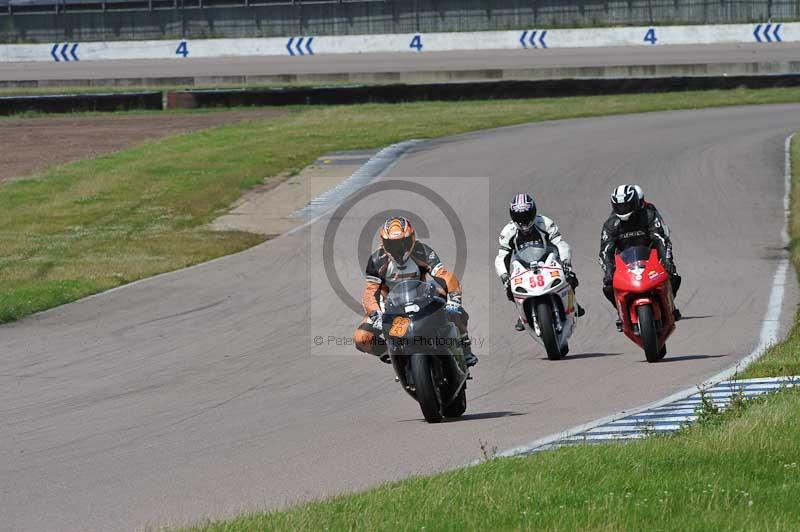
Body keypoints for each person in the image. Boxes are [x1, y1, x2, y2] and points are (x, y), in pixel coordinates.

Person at [353, 216, 479, 367]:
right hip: (391, 309)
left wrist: (454, 300)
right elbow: (370, 292)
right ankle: (393, 355)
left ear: (412, 238)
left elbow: (443, 275)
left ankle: (465, 347)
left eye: (402, 242)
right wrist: (375, 314)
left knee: (455, 312)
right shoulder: (376, 260)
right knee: (362, 338)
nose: (398, 248)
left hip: (422, 300)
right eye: (392, 244)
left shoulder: (422, 251)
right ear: (383, 242)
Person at [495, 193, 584, 332]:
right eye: (519, 217)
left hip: (548, 258)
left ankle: (573, 302)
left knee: (570, 276)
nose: (523, 220)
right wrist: (504, 275)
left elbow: (560, 243)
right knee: (509, 289)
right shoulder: (508, 231)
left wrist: (566, 261)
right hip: (523, 263)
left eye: (526, 215)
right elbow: (502, 256)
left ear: (533, 212)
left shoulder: (544, 222)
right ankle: (521, 313)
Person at [599, 184, 682, 331]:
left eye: (627, 205)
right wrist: (608, 271)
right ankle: (621, 314)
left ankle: (670, 306)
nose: (624, 209)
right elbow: (606, 251)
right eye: (620, 206)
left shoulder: (649, 216)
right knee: (608, 287)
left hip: (652, 259)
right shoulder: (610, 225)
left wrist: (668, 261)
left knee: (673, 276)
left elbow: (661, 240)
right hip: (626, 264)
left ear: (635, 203)